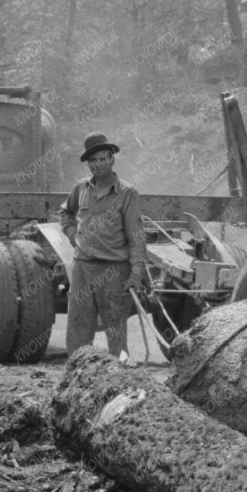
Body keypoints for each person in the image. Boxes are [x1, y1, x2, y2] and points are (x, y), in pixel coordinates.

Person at [61, 133, 148, 361]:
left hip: (115, 272)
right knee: (78, 330)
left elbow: (136, 236)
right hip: (83, 269)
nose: (97, 165)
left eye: (102, 159)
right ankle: (76, 377)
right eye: (92, 161)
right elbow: (65, 214)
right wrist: (73, 237)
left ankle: (120, 382)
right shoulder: (81, 189)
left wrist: (136, 272)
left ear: (112, 160)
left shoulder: (127, 193)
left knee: (115, 332)